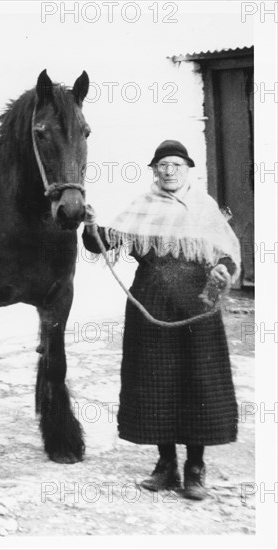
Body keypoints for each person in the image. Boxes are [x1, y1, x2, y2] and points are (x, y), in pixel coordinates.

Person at [82, 140, 240, 500]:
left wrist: (222, 271)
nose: (169, 171)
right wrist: (91, 226)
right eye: (163, 165)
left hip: (199, 305)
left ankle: (195, 469)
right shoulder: (142, 208)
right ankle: (165, 465)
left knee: (198, 383)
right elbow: (102, 243)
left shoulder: (205, 209)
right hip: (151, 305)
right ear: (154, 170)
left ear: (187, 170)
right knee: (157, 384)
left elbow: (227, 253)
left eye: (176, 165)